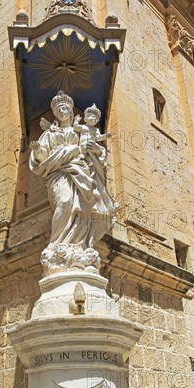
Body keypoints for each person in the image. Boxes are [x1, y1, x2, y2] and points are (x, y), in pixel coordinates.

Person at [29, 91, 117, 270]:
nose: (62, 110)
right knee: (64, 200)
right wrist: (38, 150)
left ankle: (78, 245)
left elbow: (94, 152)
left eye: (65, 108)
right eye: (59, 108)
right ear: (55, 113)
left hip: (80, 172)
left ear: (70, 111)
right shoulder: (49, 133)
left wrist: (98, 151)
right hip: (58, 173)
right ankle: (57, 244)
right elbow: (43, 155)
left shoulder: (80, 131)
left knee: (81, 208)